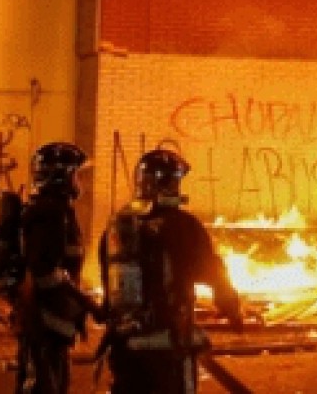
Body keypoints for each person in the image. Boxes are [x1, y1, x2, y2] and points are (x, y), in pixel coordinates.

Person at [98, 148, 244, 394]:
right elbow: (211, 272)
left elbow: (108, 286)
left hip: (126, 346)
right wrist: (231, 307)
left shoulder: (117, 228)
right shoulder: (184, 226)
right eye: (175, 181)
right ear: (165, 185)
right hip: (169, 346)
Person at [0, 141, 98, 394]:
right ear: (60, 176)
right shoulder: (50, 213)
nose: (80, 182)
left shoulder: (53, 210)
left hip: (50, 321)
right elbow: (45, 272)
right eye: (76, 174)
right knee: (41, 387)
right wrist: (88, 303)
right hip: (43, 321)